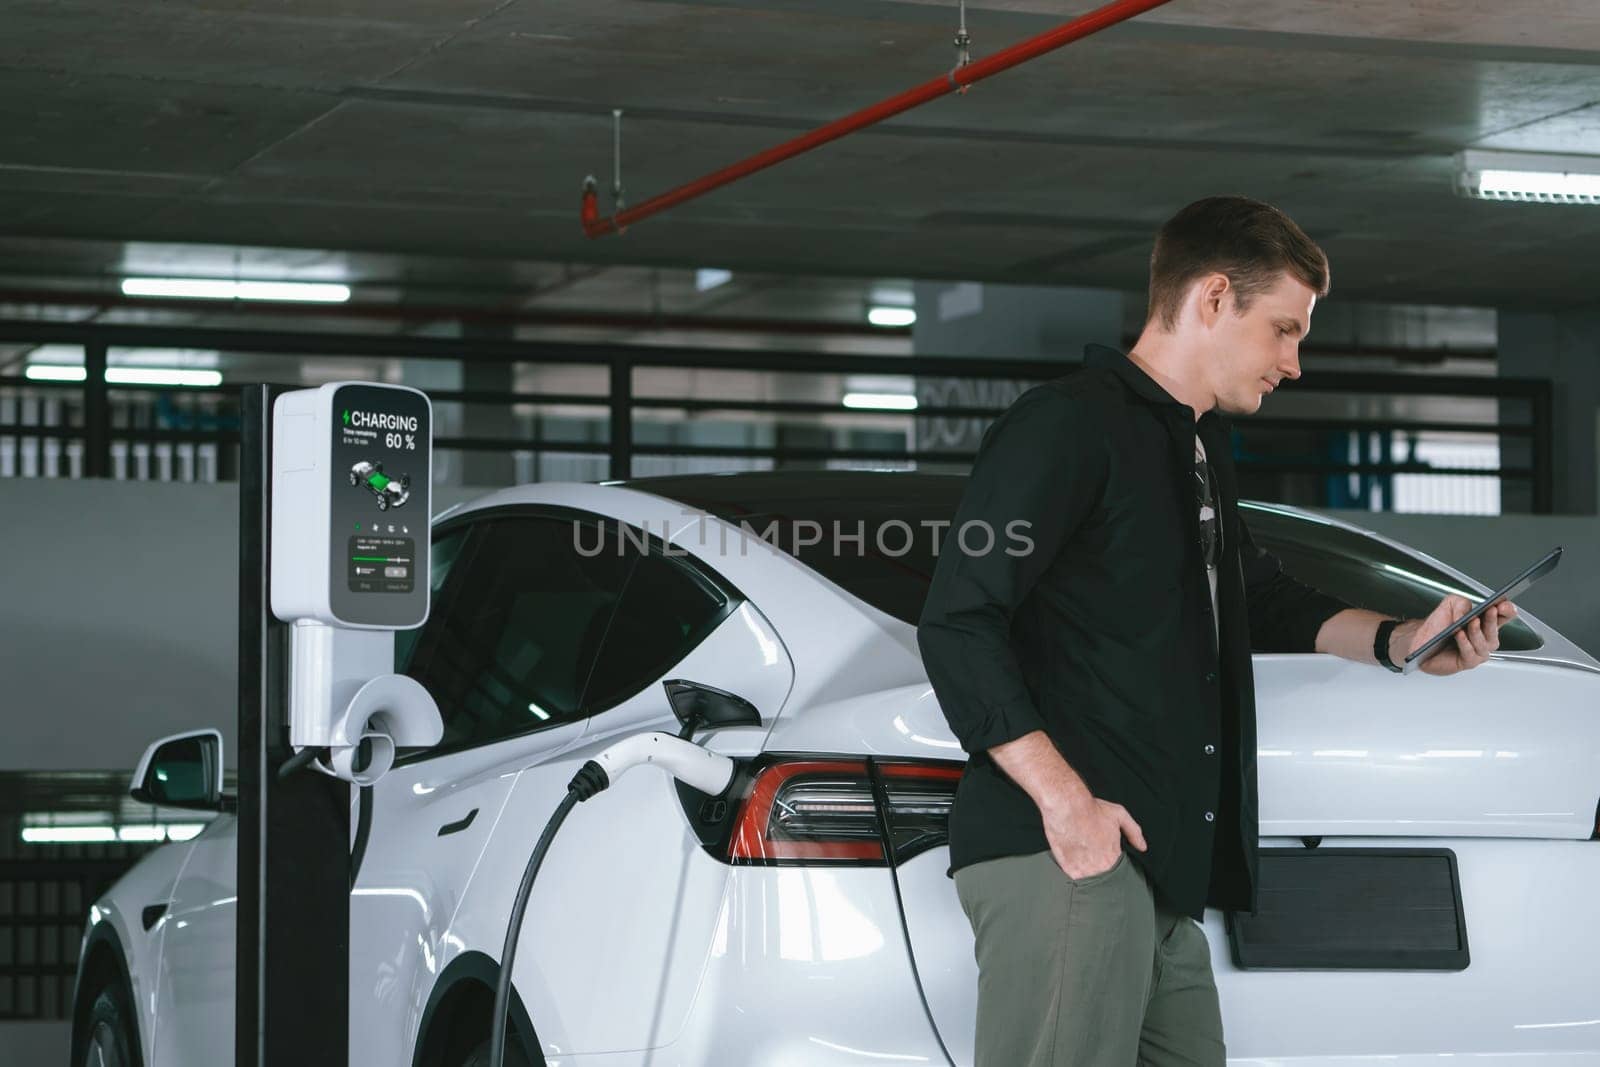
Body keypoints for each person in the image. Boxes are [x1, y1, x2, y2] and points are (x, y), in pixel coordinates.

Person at [915, 195, 1518, 1067]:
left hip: (1159, 875)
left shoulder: (1194, 451)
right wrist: (1066, 800)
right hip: (1069, 857)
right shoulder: (1066, 425)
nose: (1294, 362)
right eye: (1283, 329)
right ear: (1211, 299)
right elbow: (959, 621)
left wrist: (1406, 640)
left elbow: (1262, 599)